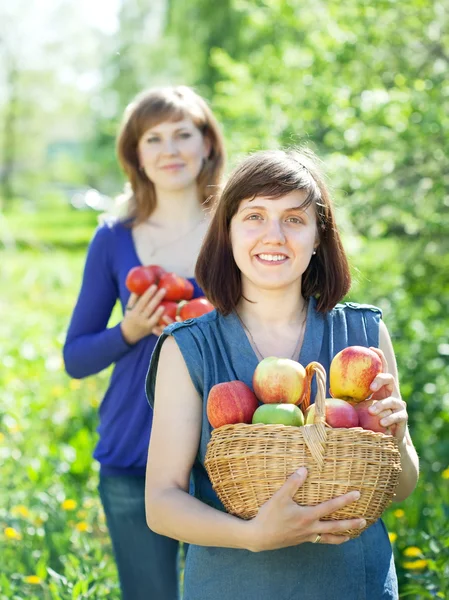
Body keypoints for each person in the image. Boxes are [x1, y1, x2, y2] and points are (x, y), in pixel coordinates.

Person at [144, 149, 419, 600]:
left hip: (354, 585)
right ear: (228, 232)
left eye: (294, 219)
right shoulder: (188, 348)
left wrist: (397, 434)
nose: (273, 236)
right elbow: (161, 503)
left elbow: (400, 486)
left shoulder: (364, 333)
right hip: (234, 586)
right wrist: (253, 536)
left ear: (317, 237)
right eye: (254, 216)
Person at [63, 85, 226, 600]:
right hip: (135, 443)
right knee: (149, 593)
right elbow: (75, 357)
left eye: (183, 134)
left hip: (229, 447)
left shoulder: (237, 227)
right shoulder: (113, 239)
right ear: (136, 154)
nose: (170, 149)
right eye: (153, 138)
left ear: (207, 144)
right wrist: (128, 331)